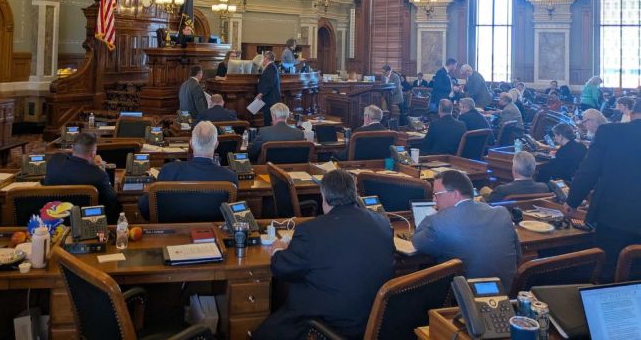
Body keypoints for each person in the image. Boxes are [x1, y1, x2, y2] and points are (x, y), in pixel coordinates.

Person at [253, 169, 394, 339]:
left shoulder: (311, 231)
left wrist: (278, 247)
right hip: (373, 321)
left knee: (263, 332)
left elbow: (281, 268)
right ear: (354, 193)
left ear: (324, 196)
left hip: (325, 325)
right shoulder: (383, 224)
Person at [565, 101, 641, 282]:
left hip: (613, 217)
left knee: (608, 272)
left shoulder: (610, 132)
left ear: (631, 113)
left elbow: (588, 171)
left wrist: (572, 201)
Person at [412, 170, 521, 290]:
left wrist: (432, 212)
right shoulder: (501, 213)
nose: (434, 199)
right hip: (505, 295)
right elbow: (518, 257)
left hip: (461, 301)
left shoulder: (440, 221)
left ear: (454, 194)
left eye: (436, 194)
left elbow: (417, 241)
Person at [137, 122, 238, 221]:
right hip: (216, 235)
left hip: (173, 235)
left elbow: (146, 209)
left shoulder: (169, 171)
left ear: (191, 143)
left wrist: (147, 191)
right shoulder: (230, 178)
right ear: (216, 145)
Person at [44, 133, 120, 223]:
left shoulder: (55, 161)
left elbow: (64, 156)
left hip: (53, 221)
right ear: (93, 154)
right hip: (86, 223)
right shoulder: (98, 175)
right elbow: (112, 200)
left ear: (72, 148)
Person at [483, 151, 550, 203]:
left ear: (514, 169)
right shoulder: (544, 188)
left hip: (510, 219)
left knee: (484, 190)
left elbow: (488, 208)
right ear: (534, 170)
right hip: (532, 219)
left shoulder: (502, 190)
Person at [256, 51, 282, 126]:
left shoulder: (271, 68)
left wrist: (261, 93)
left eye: (264, 58)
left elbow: (270, 83)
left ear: (266, 58)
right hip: (269, 99)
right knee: (267, 119)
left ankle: (269, 136)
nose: (262, 60)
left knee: (269, 120)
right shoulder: (270, 67)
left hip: (270, 100)